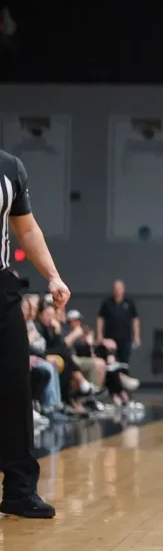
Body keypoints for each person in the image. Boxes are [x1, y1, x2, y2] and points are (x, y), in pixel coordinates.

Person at [0, 148, 71, 519]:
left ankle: (19, 489)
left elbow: (26, 228)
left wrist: (53, 275)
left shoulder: (9, 167)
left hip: (1, 287)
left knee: (16, 385)